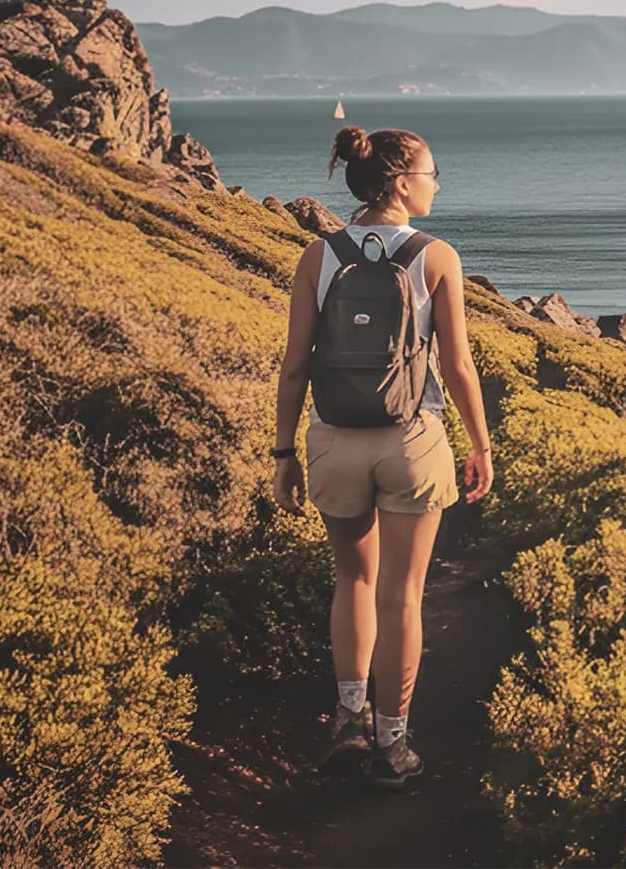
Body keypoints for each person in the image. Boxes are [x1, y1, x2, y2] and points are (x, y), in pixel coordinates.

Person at [271, 125, 493, 789]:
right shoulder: (436, 257)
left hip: (334, 440)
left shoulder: (318, 255)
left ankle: (346, 719)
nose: (436, 183)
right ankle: (392, 745)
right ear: (400, 183)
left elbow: (293, 366)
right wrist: (480, 444)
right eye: (429, 173)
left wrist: (284, 452)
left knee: (354, 581)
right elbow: (456, 365)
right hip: (412, 442)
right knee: (403, 597)